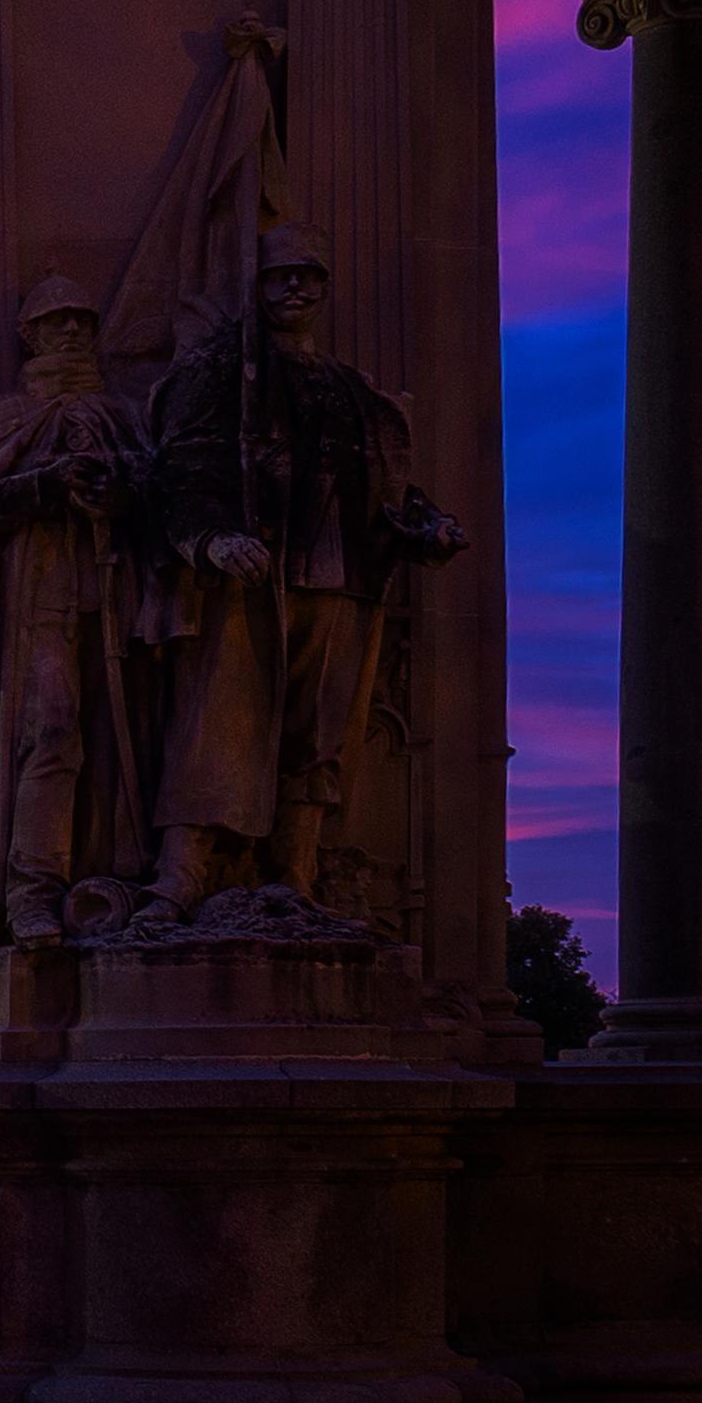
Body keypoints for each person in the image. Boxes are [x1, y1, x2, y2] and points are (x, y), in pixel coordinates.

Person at [137, 223, 467, 916]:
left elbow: (386, 486)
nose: (295, 287)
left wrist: (427, 528)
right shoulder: (223, 369)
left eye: (308, 275)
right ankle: (182, 873)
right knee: (216, 725)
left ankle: (294, 873)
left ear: (323, 288)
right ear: (255, 287)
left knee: (319, 733)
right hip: (249, 576)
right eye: (280, 275)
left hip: (339, 578)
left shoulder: (350, 387)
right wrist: (208, 539)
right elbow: (180, 465)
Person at [0, 277, 150, 944]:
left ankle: (120, 884)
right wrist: (45, 485)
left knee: (122, 739)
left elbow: (166, 488)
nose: (70, 331)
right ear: (28, 334)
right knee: (52, 731)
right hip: (35, 601)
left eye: (80, 320)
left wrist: (119, 488)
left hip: (122, 599)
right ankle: (31, 890)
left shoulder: (126, 416)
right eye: (54, 321)